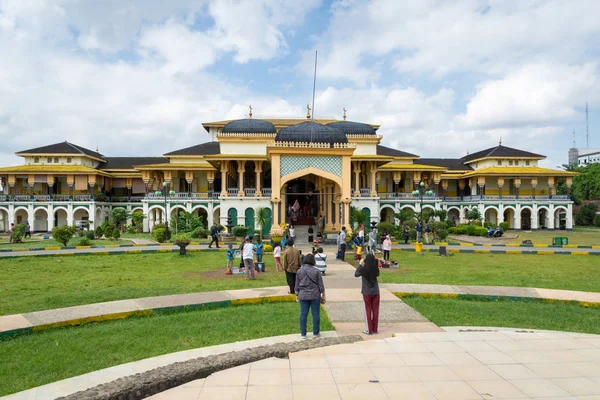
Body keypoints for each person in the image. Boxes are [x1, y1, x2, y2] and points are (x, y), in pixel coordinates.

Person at [295, 253, 326, 339]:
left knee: (303, 314)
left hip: (303, 295)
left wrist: (297, 295)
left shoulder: (299, 271)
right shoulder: (316, 271)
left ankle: (303, 334)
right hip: (315, 294)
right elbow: (321, 285)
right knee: (316, 314)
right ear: (313, 261)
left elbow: (297, 285)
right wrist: (323, 295)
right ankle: (316, 333)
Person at [355, 253, 380, 335]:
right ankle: (375, 329)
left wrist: (360, 264)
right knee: (375, 310)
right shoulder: (375, 269)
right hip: (376, 292)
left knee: (368, 311)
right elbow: (378, 273)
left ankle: (369, 330)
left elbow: (356, 274)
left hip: (366, 292)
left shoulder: (363, 269)